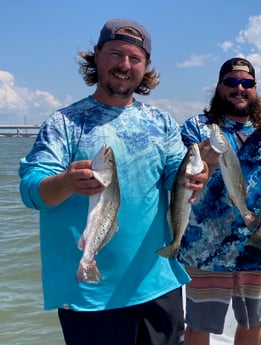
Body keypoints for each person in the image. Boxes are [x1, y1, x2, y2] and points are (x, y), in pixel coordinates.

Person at [18, 19, 208, 345]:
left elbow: (176, 180)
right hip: (92, 292)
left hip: (158, 283)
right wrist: (66, 183)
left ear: (145, 66)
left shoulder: (160, 121)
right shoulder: (64, 123)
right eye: (116, 54)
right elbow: (32, 190)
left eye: (135, 59)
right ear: (97, 55)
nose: (124, 65)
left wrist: (199, 173)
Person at [178, 57, 261, 345]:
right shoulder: (197, 129)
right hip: (205, 250)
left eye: (247, 83)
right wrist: (207, 166)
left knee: (252, 324)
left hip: (258, 248)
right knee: (199, 325)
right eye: (232, 82)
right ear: (219, 87)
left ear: (255, 88)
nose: (240, 88)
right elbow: (180, 185)